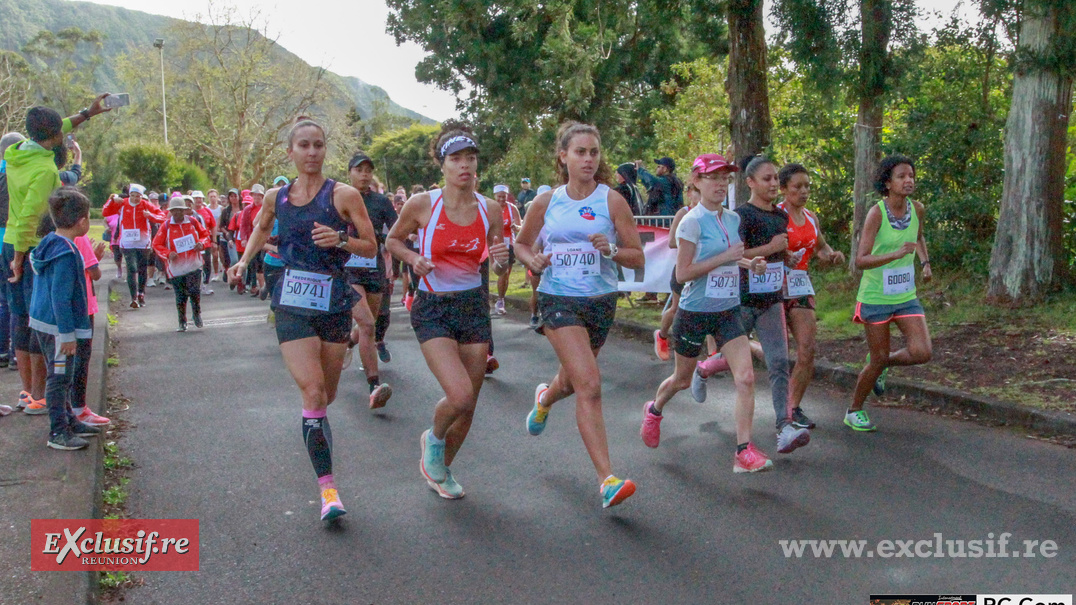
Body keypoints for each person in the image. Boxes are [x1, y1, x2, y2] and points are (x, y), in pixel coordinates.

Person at [227, 117, 378, 522]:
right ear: (291, 151)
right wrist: (243, 261)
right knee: (312, 393)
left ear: (325, 150)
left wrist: (341, 239)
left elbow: (371, 245)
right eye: (304, 146)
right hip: (291, 303)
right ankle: (328, 490)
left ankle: (334, 369)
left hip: (332, 301)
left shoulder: (344, 195)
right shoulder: (277, 198)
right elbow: (260, 230)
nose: (312, 153)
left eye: (318, 145)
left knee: (325, 396)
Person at [514, 121, 645, 509]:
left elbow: (637, 259)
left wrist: (610, 251)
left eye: (594, 152)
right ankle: (607, 479)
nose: (589, 159)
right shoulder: (546, 202)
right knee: (589, 384)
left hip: (600, 300)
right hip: (558, 299)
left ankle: (545, 398)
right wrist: (533, 259)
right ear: (563, 157)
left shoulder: (612, 201)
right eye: (580, 152)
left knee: (572, 383)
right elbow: (521, 244)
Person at [386, 124, 510, 500]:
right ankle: (433, 439)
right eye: (456, 159)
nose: (465, 166)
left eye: (470, 159)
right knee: (458, 395)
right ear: (443, 165)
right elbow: (392, 239)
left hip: (473, 304)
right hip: (434, 306)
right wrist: (413, 258)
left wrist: (503, 262)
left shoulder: (490, 209)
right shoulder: (423, 204)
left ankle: (441, 469)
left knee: (469, 405)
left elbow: (500, 262)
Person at [639, 154, 775, 472]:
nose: (720, 184)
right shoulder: (691, 222)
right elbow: (684, 273)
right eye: (713, 178)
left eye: (725, 178)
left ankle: (744, 451)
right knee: (682, 381)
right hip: (694, 312)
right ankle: (655, 409)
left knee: (745, 377)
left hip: (727, 310)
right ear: (697, 182)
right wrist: (727, 256)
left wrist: (748, 263)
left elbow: (731, 256)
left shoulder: (731, 220)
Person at [4, 99, 111, 415]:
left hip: (9, 241)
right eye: (60, 133)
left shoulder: (17, 152)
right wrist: (22, 257)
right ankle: (40, 395)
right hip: (31, 245)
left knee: (20, 317)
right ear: (52, 138)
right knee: (41, 319)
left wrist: (87, 114)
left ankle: (29, 392)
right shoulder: (45, 169)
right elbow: (30, 215)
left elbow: (58, 126)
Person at [848, 155, 932, 431]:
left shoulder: (917, 209)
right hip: (876, 298)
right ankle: (854, 410)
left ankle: (884, 365)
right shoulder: (877, 213)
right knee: (877, 357)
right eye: (901, 176)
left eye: (911, 175)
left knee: (922, 352)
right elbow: (861, 260)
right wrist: (895, 255)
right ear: (888, 183)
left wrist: (925, 263)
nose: (908, 181)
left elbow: (917, 236)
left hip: (905, 295)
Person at [28, 188, 101, 449]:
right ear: (82, 222)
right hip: (58, 329)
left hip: (45, 322)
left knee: (65, 375)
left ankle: (69, 419)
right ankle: (58, 431)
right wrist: (68, 334)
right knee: (59, 378)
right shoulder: (67, 252)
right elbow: (61, 297)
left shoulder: (51, 243)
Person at [776, 164, 845, 428]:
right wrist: (782, 255)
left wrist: (831, 255)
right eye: (797, 187)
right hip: (773, 289)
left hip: (800, 286)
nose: (803, 191)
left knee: (807, 350)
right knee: (778, 354)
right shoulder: (776, 215)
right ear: (784, 189)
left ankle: (792, 409)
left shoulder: (811, 217)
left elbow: (821, 248)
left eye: (807, 186)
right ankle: (734, 351)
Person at [341, 151, 396, 409]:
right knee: (367, 324)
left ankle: (346, 343)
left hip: (374, 268)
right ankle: (374, 386)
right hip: (347, 270)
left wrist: (391, 245)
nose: (364, 174)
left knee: (368, 325)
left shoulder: (381, 202)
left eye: (368, 170)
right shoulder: (338, 197)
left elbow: (396, 230)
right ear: (350, 172)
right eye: (359, 170)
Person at [653, 181, 701, 361]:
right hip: (684, 268)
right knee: (677, 308)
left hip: (705, 269)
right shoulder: (684, 213)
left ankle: (712, 354)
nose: (699, 196)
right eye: (696, 192)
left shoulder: (711, 213)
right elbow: (672, 241)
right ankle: (662, 335)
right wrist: (693, 243)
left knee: (707, 311)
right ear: (689, 193)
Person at [153, 195, 212, 331]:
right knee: (181, 295)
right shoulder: (166, 226)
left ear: (185, 210)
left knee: (194, 291)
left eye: (180, 210)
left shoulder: (192, 222)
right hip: (176, 268)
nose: (178, 213)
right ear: (171, 211)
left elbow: (205, 235)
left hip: (194, 264)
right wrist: (168, 254)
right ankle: (182, 321)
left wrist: (201, 244)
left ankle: (197, 314)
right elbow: (156, 244)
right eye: (174, 210)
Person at [102, 185, 166, 308]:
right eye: (133, 196)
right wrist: (112, 200)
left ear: (141, 196)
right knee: (131, 268)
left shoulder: (145, 205)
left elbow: (162, 217)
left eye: (138, 196)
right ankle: (134, 298)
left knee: (142, 268)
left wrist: (150, 216)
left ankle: (141, 293)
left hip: (143, 242)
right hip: (127, 242)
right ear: (129, 195)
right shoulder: (123, 203)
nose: (135, 199)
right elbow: (105, 212)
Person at [491, 184, 521, 315]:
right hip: (494, 243)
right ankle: (499, 300)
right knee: (499, 272)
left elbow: (520, 225)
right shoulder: (490, 208)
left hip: (508, 243)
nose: (502, 199)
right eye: (499, 197)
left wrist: (516, 227)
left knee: (506, 273)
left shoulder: (511, 208)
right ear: (495, 196)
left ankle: (501, 299)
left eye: (504, 197)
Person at [191, 191, 217, 294]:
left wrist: (214, 241)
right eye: (196, 198)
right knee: (194, 265)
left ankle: (205, 285)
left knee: (206, 263)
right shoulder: (190, 212)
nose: (198, 200)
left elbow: (213, 226)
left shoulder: (207, 211)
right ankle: (195, 286)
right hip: (192, 243)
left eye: (200, 198)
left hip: (205, 242)